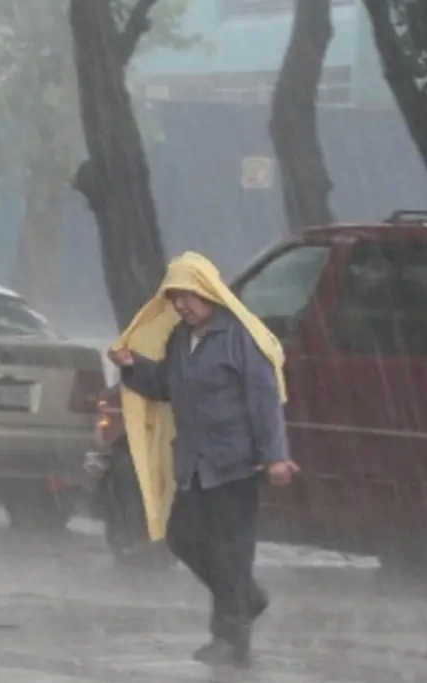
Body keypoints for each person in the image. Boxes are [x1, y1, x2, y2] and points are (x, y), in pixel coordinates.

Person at [108, 253, 299, 669]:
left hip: (236, 463)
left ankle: (230, 641)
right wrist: (132, 367)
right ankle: (246, 600)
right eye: (175, 298)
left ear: (208, 291)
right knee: (182, 537)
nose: (181, 306)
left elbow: (264, 400)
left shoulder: (239, 337)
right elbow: (165, 386)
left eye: (188, 297)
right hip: (195, 464)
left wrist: (276, 457)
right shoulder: (180, 339)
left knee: (231, 553)